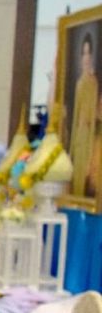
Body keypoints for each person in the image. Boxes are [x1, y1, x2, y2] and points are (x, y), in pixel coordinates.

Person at [70, 32, 98, 197]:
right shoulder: (80, 83)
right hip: (79, 139)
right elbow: (75, 120)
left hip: (88, 139)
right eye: (84, 53)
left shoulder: (92, 82)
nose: (86, 57)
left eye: (89, 53)